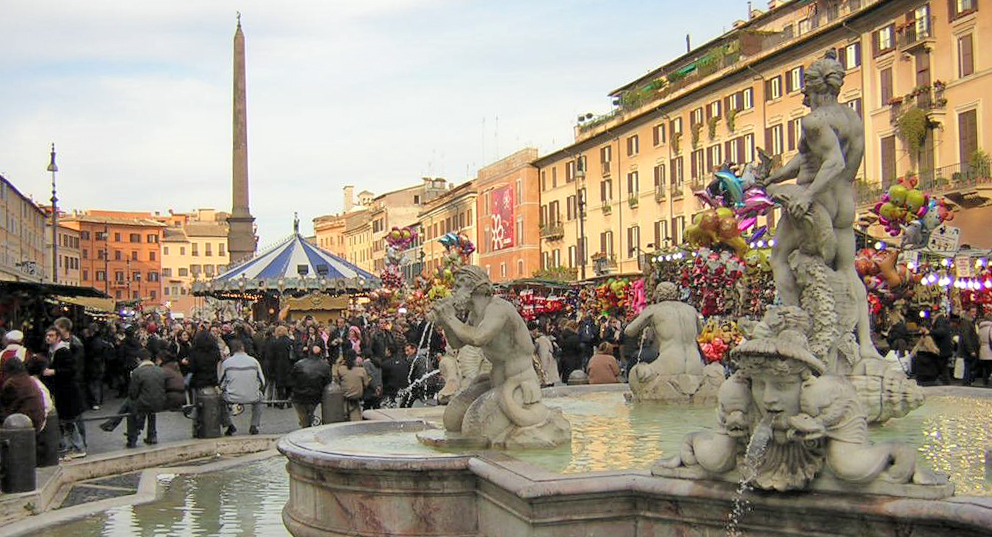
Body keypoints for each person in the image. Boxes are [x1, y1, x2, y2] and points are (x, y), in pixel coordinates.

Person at [756, 50, 879, 362]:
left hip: (817, 197)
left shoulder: (814, 121)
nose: (803, 98)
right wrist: (778, 174)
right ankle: (865, 345)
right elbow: (811, 157)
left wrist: (806, 196)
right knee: (848, 269)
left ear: (810, 88)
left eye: (804, 91)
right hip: (844, 200)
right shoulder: (852, 117)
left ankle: (795, 325)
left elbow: (832, 161)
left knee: (779, 258)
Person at [42, 327, 87, 459]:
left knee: (68, 421)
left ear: (58, 337)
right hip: (61, 392)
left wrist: (53, 371)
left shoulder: (62, 352)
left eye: (51, 335)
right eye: (47, 335)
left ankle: (78, 447)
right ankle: (68, 446)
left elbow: (71, 370)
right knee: (65, 421)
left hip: (67, 393)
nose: (48, 338)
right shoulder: (52, 351)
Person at [219, 338, 265, 436]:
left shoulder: (227, 363)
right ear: (243, 348)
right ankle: (254, 425)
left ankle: (229, 425)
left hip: (232, 396)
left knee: (219, 400)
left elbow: (221, 383)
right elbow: (262, 381)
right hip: (252, 395)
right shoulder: (254, 361)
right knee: (260, 398)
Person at [126, 349, 167, 447]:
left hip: (144, 403)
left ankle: (133, 436)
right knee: (151, 408)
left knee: (130, 406)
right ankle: (152, 435)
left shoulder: (137, 372)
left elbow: (133, 393)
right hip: (160, 402)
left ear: (138, 359)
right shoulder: (160, 370)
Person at [289, 343, 332, 428]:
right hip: (315, 396)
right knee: (309, 413)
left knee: (303, 416)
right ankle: (308, 423)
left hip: (299, 395)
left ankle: (305, 428)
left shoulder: (299, 364)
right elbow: (328, 382)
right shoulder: (325, 366)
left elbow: (292, 378)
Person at [0, 357, 46, 433]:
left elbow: (4, 408)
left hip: (24, 426)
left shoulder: (12, 383)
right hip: (37, 423)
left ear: (8, 371)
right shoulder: (29, 379)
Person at [335, 348, 369, 421]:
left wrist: (338, 363)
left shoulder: (340, 369)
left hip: (344, 399)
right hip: (356, 399)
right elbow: (366, 384)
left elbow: (336, 381)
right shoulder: (361, 370)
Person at [266, 324, 295, 407]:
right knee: (289, 385)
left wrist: (270, 369)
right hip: (289, 365)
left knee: (280, 386)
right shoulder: (290, 342)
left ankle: (281, 402)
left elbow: (271, 357)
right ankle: (288, 400)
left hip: (278, 367)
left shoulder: (274, 343)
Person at [380, 342, 412, 407]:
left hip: (391, 391)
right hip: (404, 390)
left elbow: (382, 378)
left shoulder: (385, 364)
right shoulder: (405, 362)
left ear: (389, 351)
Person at [977, 314, 992, 387]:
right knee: (989, 366)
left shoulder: (980, 327)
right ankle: (988, 382)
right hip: (989, 350)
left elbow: (979, 340)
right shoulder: (991, 327)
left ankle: (985, 381)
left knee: (985, 367)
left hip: (982, 349)